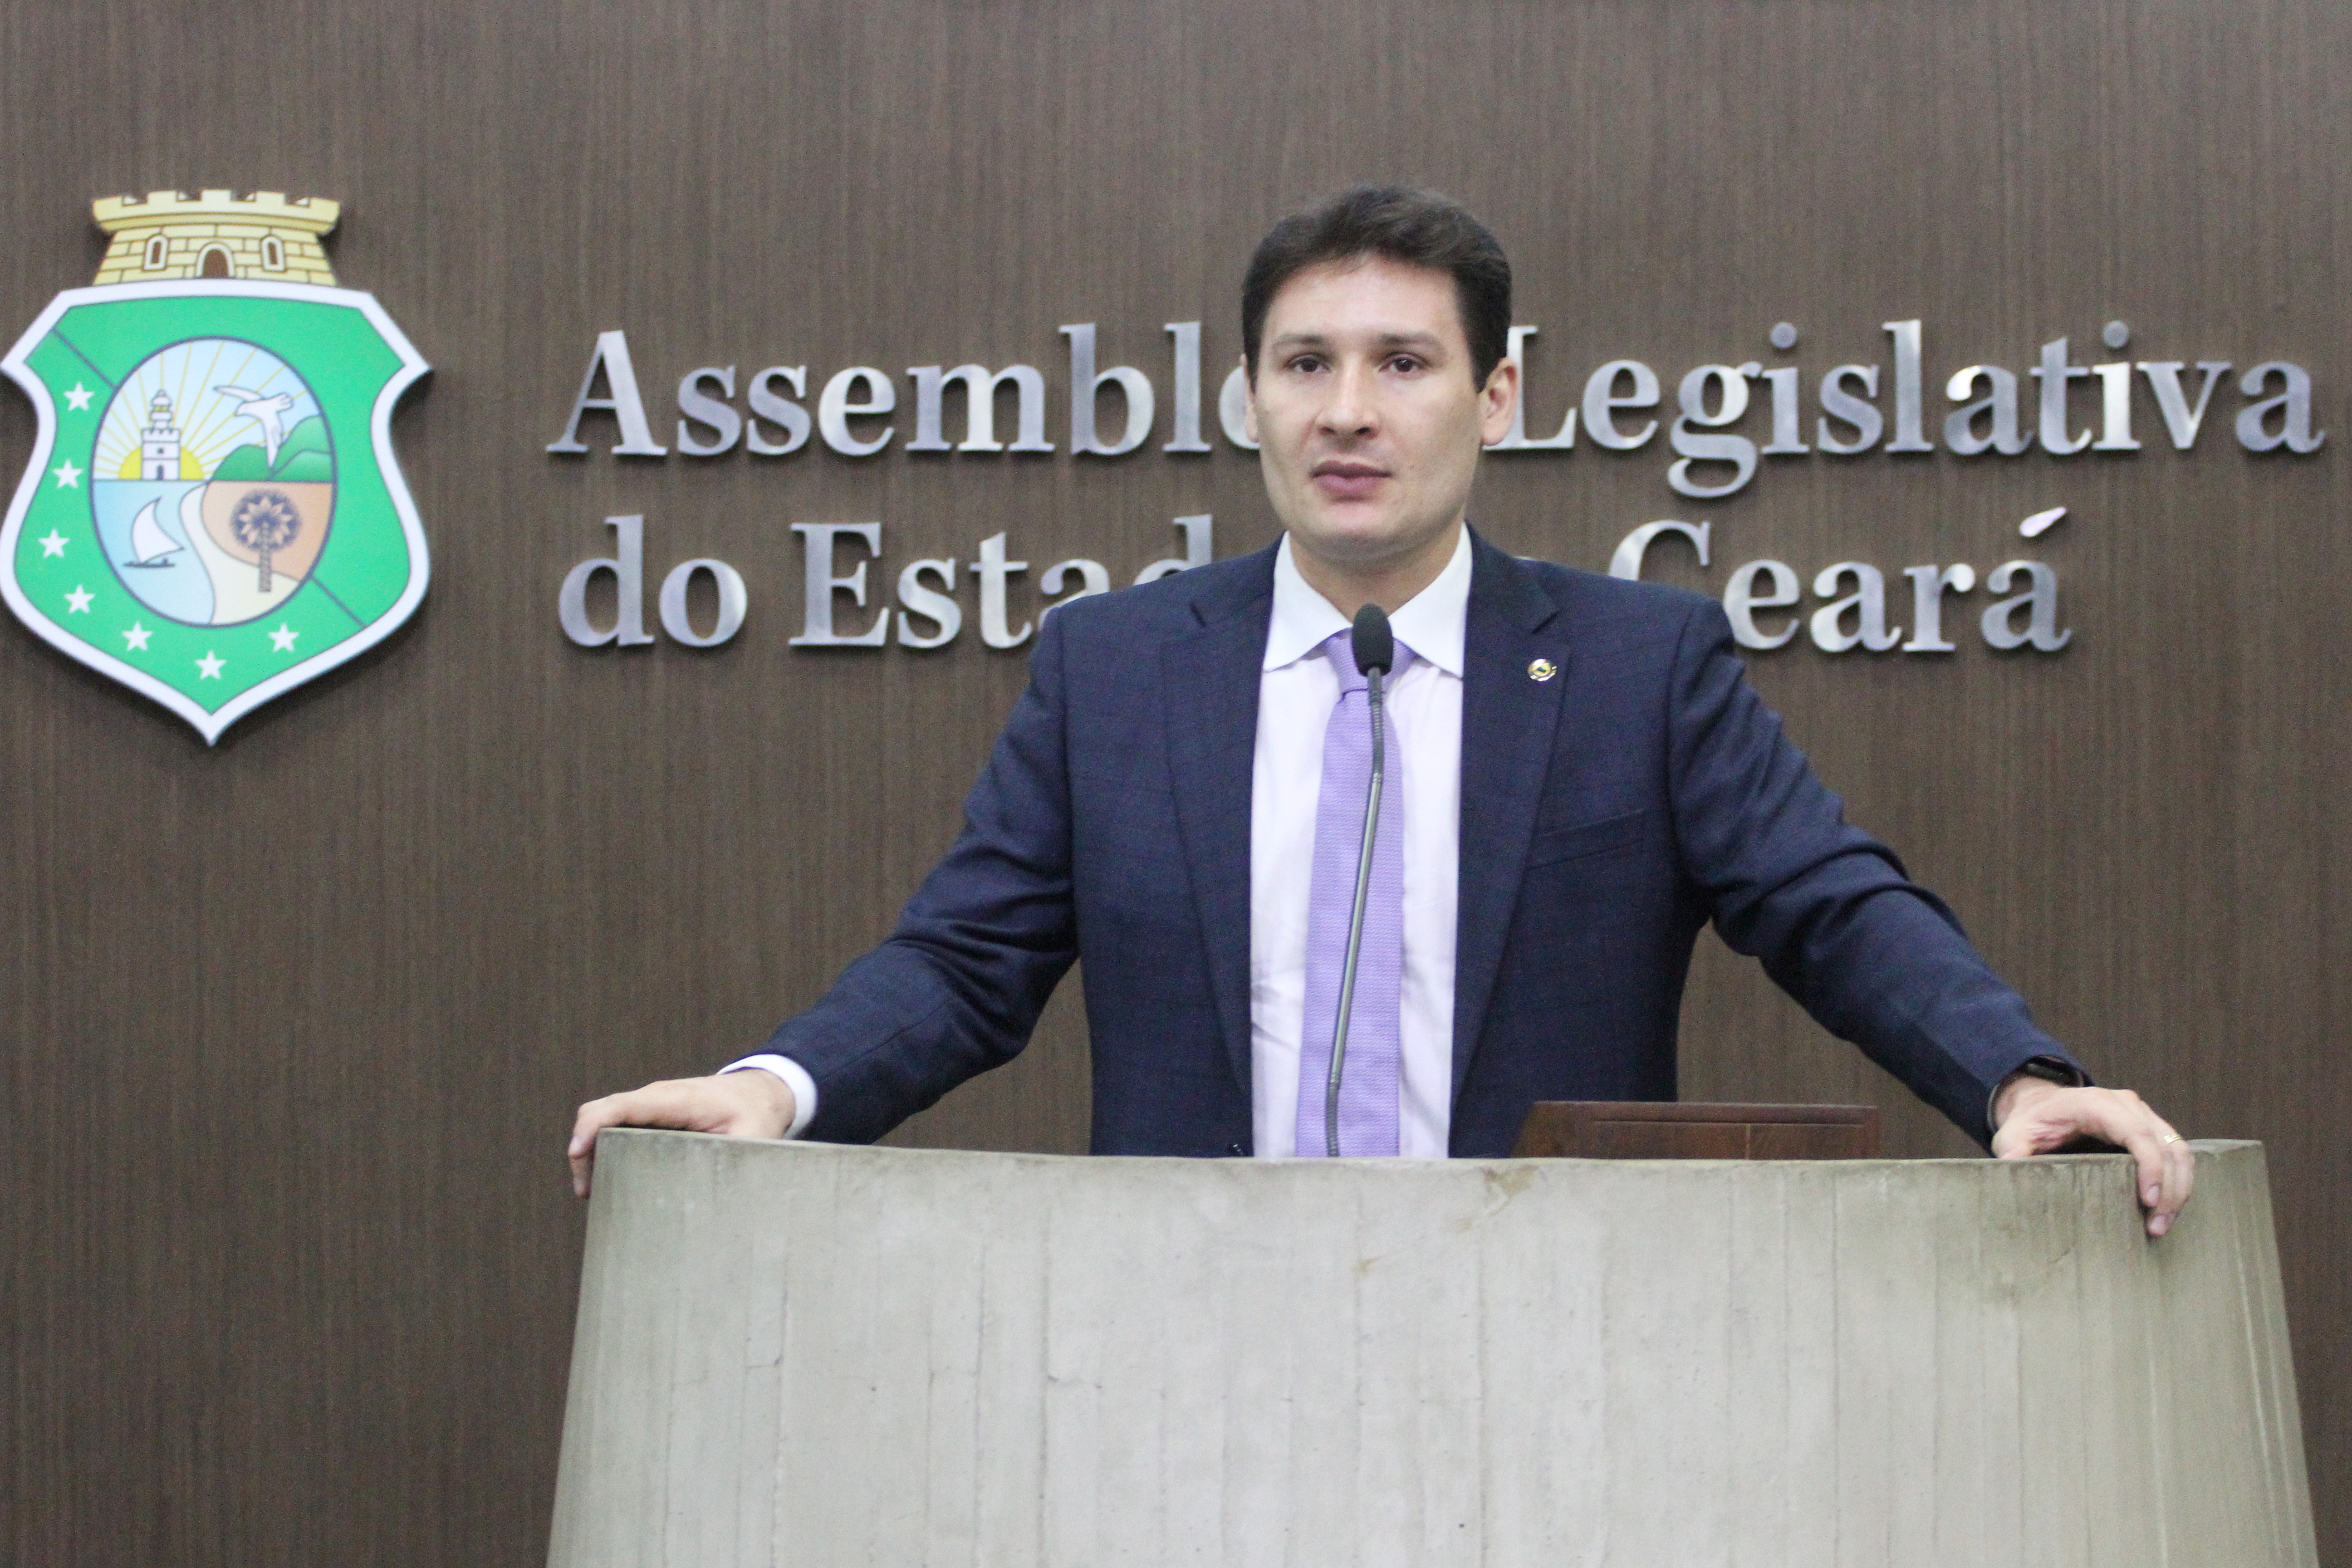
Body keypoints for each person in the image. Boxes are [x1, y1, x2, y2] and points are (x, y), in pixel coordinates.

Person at [571, 186, 2194, 1235]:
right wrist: (773, 1089)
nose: (1347, 411)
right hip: (1179, 1342)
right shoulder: (1116, 668)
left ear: (1497, 397)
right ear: (1248, 398)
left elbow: (1832, 908)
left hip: (1545, 1343)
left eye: (1404, 364)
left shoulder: (1640, 667)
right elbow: (961, 963)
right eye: (1305, 365)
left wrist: (2015, 1080)